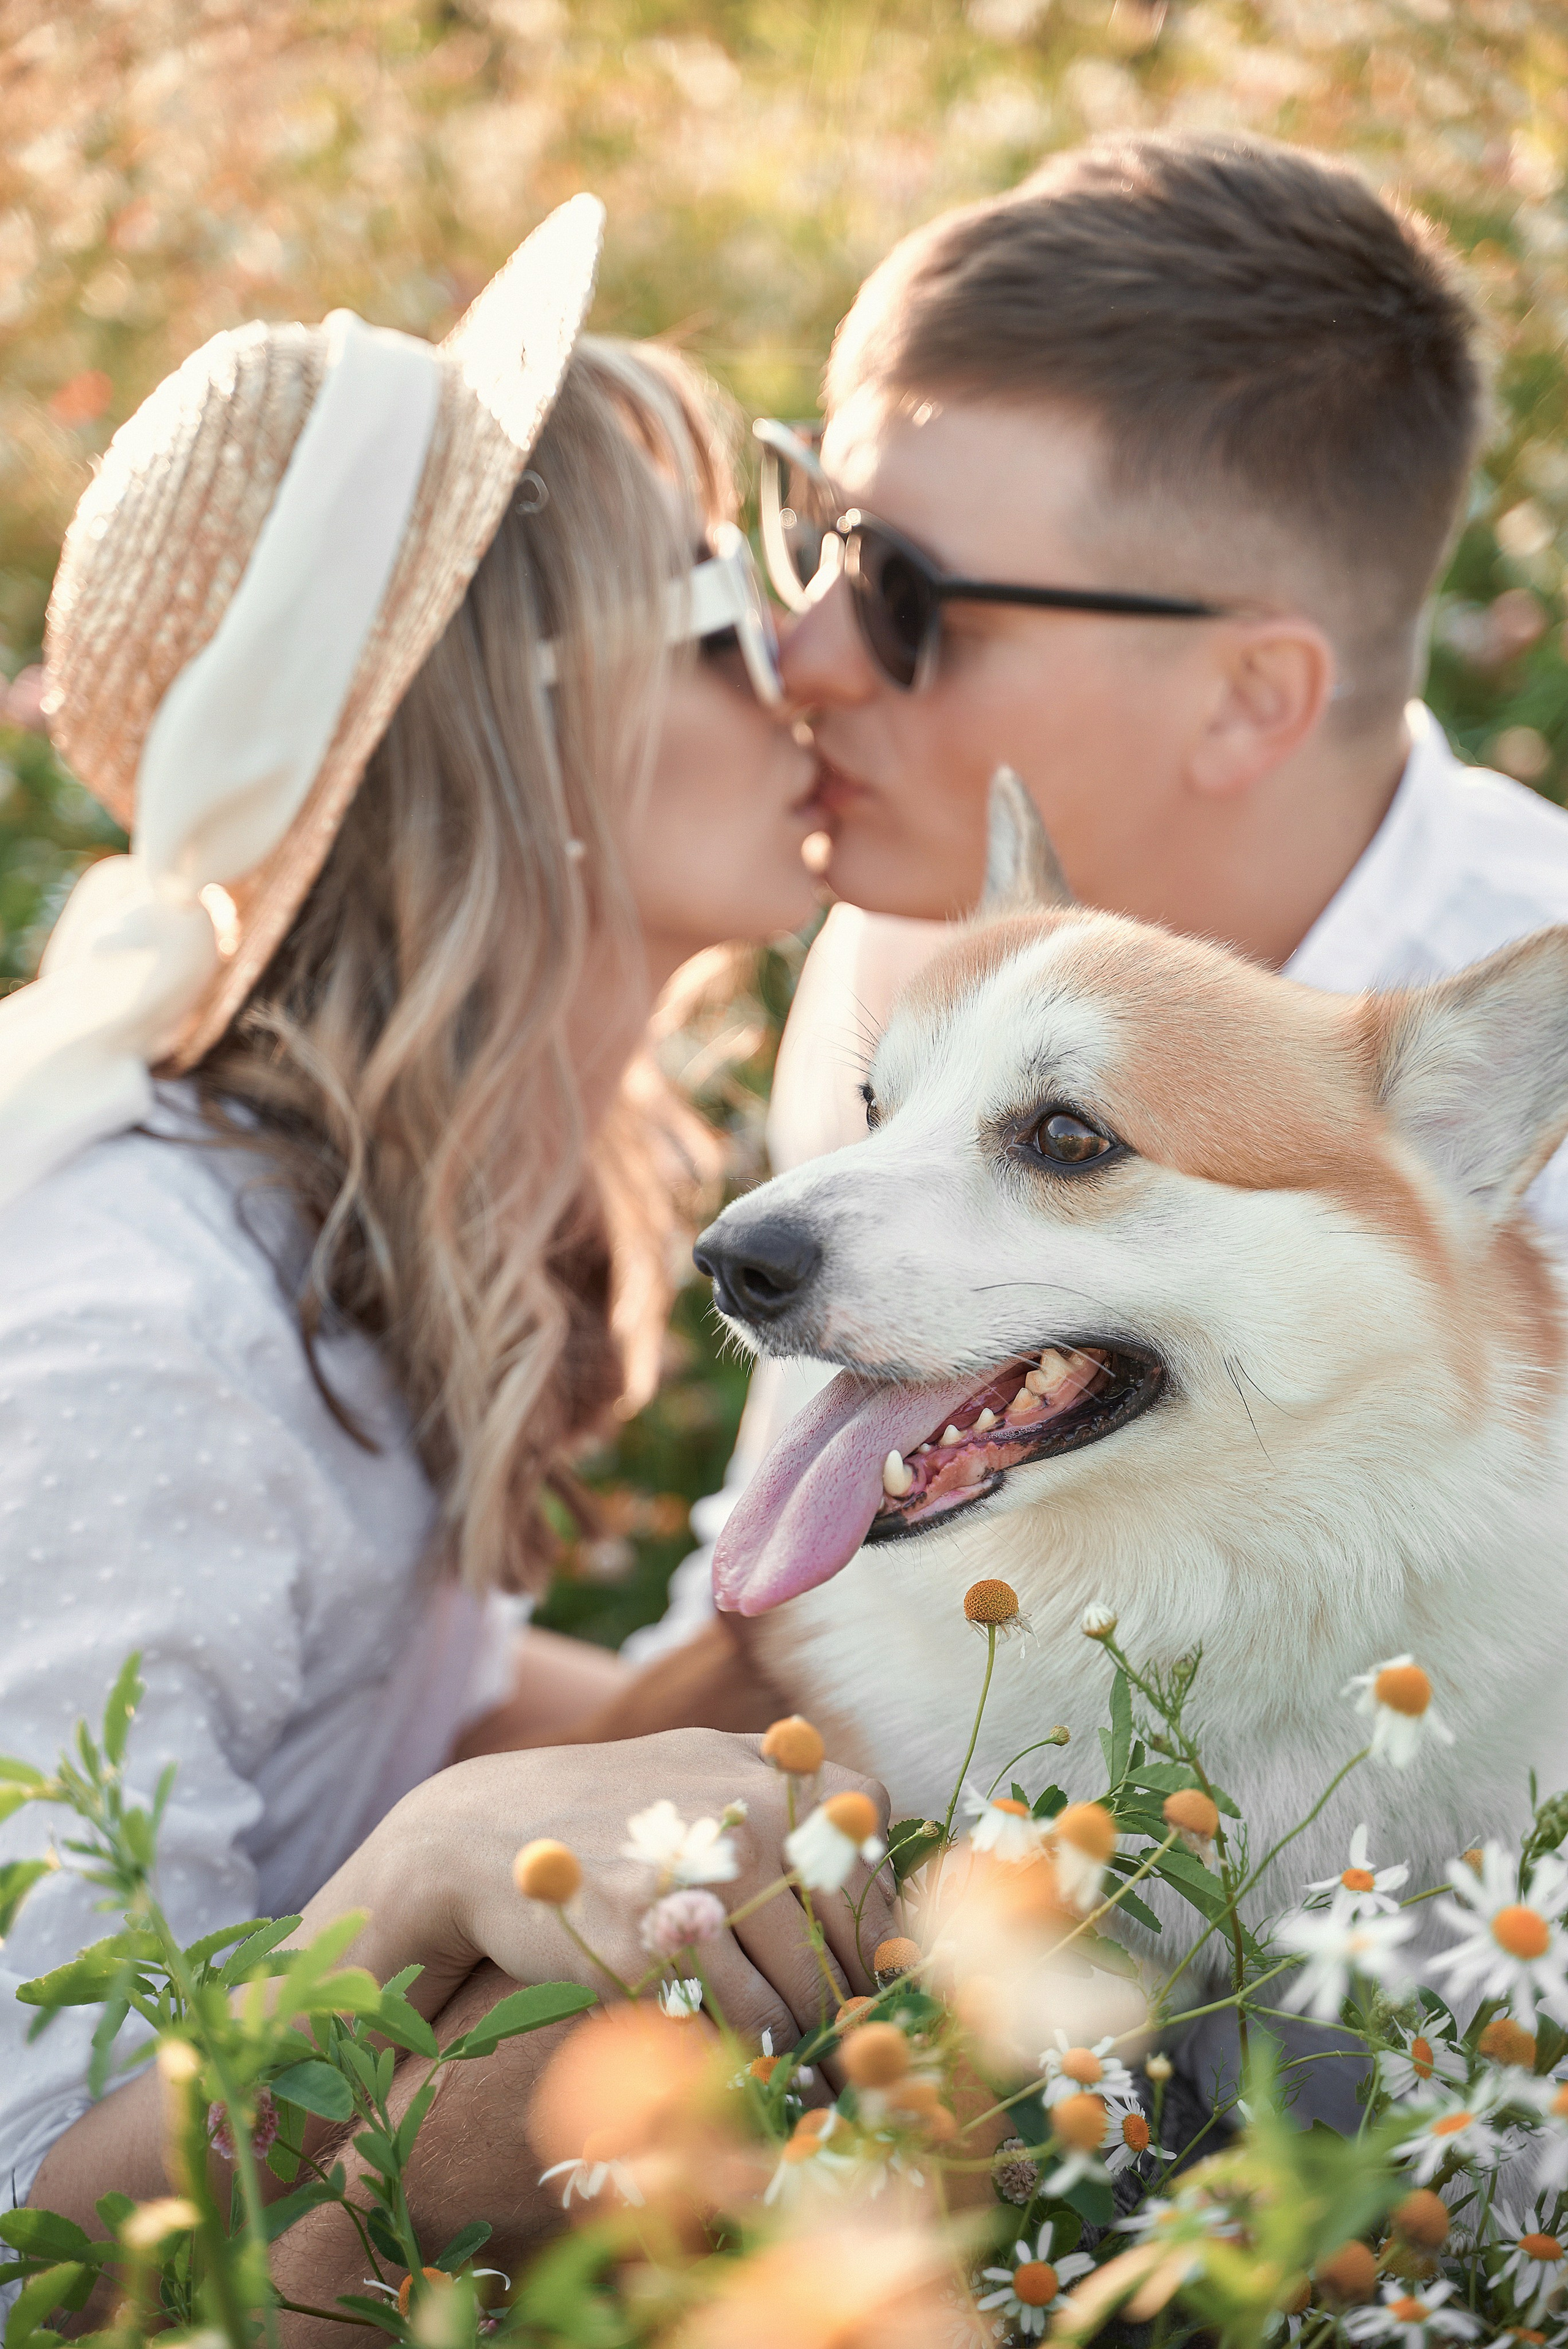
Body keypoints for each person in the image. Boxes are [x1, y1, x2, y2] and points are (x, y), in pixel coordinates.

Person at [0, 196, 895, 2305]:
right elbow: (29, 2223)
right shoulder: (145, 1337)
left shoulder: (381, 1219)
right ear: (516, 729)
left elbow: (427, 1706)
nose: (800, 661)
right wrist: (411, 1880)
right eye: (716, 604)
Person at [623, 128, 1568, 1680]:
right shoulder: (921, 944)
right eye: (811, 533)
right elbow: (774, 1626)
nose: (802, 655)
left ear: (1245, 697)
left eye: (905, 593)